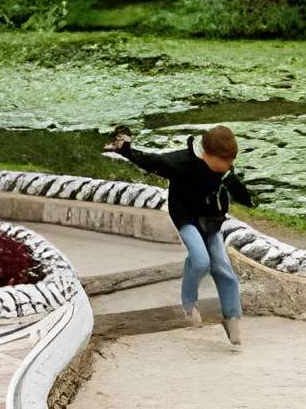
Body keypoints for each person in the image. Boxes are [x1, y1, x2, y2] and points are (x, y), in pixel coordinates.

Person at [103, 123, 255, 345]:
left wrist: (250, 200)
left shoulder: (224, 172)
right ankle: (188, 305)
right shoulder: (180, 163)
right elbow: (152, 161)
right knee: (201, 261)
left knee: (223, 269)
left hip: (211, 221)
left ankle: (231, 317)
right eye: (226, 162)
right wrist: (125, 149)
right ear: (209, 155)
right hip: (186, 218)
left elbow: (238, 191)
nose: (229, 166)